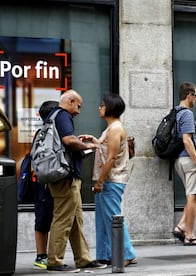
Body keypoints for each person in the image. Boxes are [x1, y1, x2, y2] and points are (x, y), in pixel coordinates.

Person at [46, 89, 107, 273]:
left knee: (75, 219)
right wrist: (87, 145)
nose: (79, 111)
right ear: (70, 101)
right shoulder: (62, 115)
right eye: (78, 106)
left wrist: (78, 142)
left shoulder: (52, 116)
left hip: (64, 176)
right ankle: (54, 261)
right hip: (66, 177)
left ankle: (83, 258)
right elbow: (68, 140)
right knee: (64, 219)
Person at [79, 93, 137, 266]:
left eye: (102, 105)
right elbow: (109, 152)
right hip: (108, 179)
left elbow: (111, 158)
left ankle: (125, 254)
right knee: (103, 219)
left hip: (111, 180)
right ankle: (105, 254)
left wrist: (100, 182)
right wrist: (96, 142)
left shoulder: (115, 129)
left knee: (112, 218)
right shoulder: (111, 128)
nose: (99, 107)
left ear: (110, 108)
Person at [171, 82, 196, 246]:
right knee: (193, 196)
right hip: (189, 159)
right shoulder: (187, 114)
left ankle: (181, 226)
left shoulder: (175, 112)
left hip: (179, 159)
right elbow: (187, 140)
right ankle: (189, 235)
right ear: (189, 95)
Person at [32, 101, 57, 269]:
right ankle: (41, 256)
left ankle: (50, 255)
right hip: (44, 183)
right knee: (43, 219)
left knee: (49, 218)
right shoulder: (43, 134)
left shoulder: (48, 132)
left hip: (48, 182)